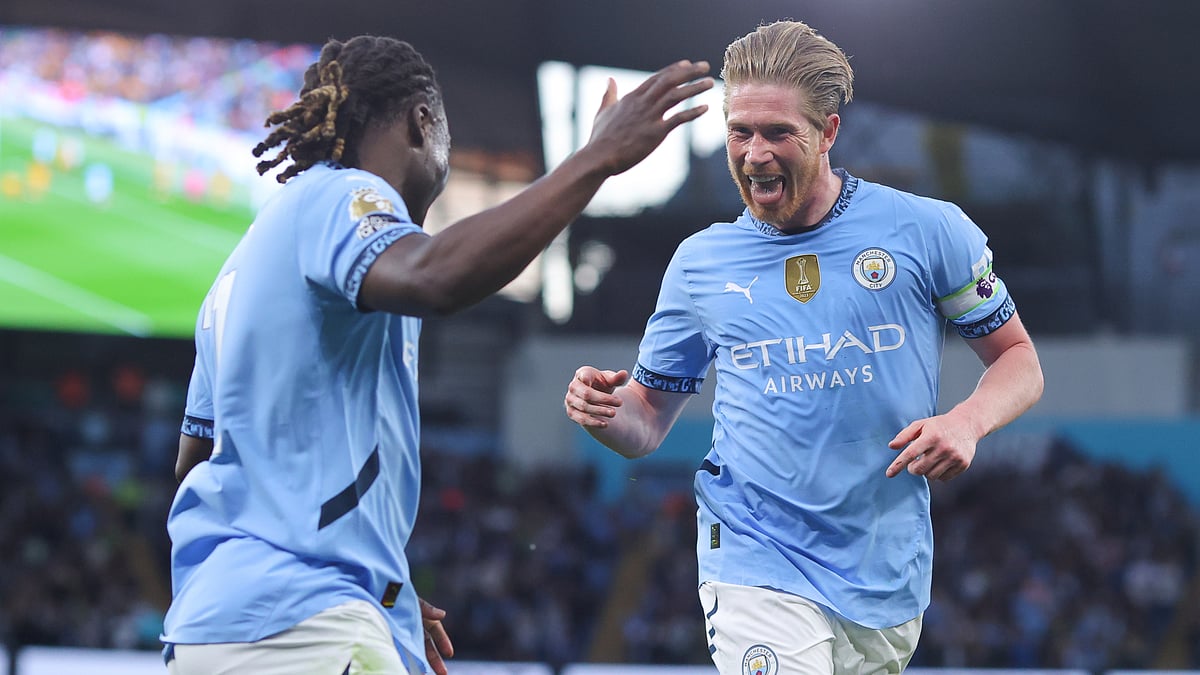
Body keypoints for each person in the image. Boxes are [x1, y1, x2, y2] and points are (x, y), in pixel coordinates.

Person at [163, 34, 713, 675]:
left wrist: (377, 579)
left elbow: (196, 464)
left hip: (219, 627)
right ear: (423, 122)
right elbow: (434, 277)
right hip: (304, 624)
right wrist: (594, 159)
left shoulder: (234, 278)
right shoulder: (341, 196)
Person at [563, 20, 1044, 675]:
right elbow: (646, 417)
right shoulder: (701, 263)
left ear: (829, 132)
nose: (755, 153)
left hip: (885, 575)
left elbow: (1019, 360)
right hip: (754, 556)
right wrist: (603, 410)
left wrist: (968, 420)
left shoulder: (927, 232)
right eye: (740, 131)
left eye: (777, 132)